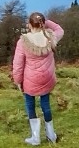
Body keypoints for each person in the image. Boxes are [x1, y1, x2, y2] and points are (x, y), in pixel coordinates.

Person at [11, 11, 64, 145]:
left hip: (30, 80)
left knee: (30, 105)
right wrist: (45, 22)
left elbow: (18, 64)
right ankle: (51, 135)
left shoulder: (23, 42)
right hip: (47, 78)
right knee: (45, 104)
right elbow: (59, 29)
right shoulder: (51, 37)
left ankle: (35, 138)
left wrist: (17, 81)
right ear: (42, 24)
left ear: (29, 25)